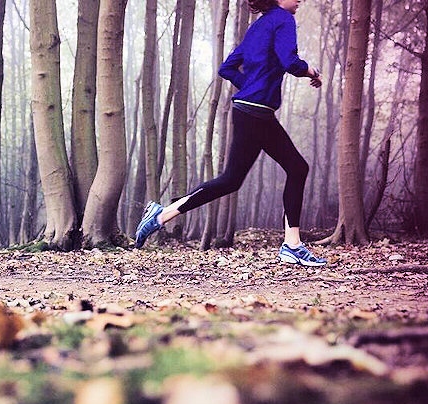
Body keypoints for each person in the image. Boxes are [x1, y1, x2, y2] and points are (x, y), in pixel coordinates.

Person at [134, 0, 327, 267]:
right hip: (256, 113)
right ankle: (292, 246)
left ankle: (161, 215)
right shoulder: (283, 19)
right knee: (295, 168)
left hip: (250, 111)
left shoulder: (257, 26)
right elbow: (289, 61)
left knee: (237, 179)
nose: (300, 0)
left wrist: (250, 87)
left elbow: (226, 68)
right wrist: (311, 71)